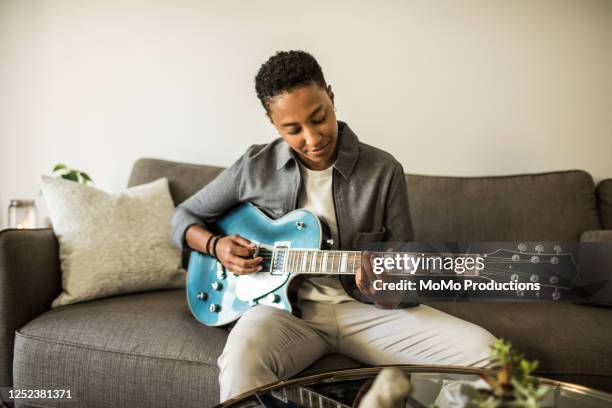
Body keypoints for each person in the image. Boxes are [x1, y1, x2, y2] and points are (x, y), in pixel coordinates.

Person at [171, 50, 496, 402]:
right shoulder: (254, 166)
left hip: (367, 312)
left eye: (319, 118)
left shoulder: (383, 171)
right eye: (293, 129)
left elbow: (405, 271)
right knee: (240, 361)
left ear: (331, 96)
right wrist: (215, 246)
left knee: (488, 354)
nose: (312, 139)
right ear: (271, 121)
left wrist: (387, 286)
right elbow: (183, 217)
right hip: (283, 315)